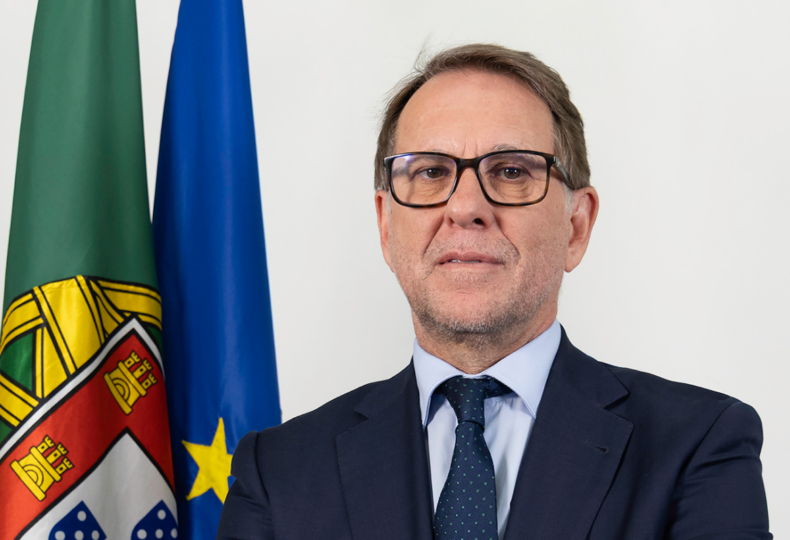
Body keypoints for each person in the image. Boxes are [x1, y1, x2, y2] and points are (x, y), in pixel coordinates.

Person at [216, 44, 771, 540]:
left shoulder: (697, 443)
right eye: (430, 173)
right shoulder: (278, 471)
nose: (465, 207)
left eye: (510, 171)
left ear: (576, 226)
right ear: (386, 226)